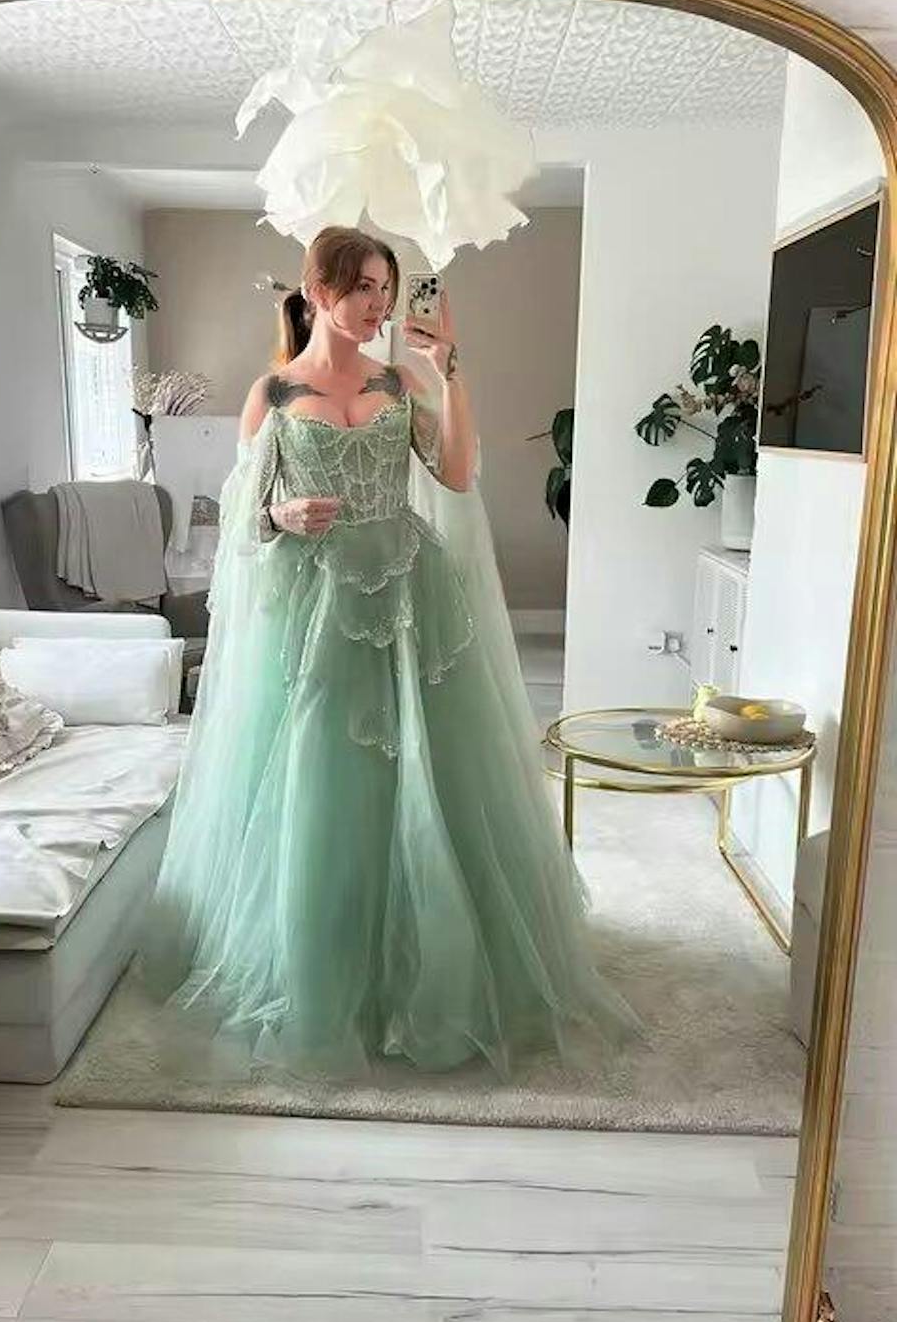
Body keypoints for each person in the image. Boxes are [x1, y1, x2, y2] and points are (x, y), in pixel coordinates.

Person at [142, 224, 643, 1080]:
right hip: (314, 605)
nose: (379, 304)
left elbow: (455, 475)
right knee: (322, 773)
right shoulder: (272, 392)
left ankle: (438, 962)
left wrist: (451, 372)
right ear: (319, 290)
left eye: (386, 288)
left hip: (412, 589)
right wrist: (280, 515)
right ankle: (324, 967)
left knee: (435, 770)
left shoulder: (400, 380)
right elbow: (240, 518)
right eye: (364, 287)